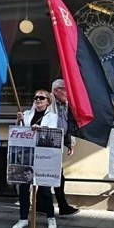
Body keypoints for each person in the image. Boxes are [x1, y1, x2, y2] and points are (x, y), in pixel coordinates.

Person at [13, 89, 66, 228]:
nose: (38, 100)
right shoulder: (26, 114)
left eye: (41, 98)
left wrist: (41, 129)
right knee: (24, 188)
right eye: (36, 97)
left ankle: (51, 217)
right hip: (26, 156)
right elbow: (18, 133)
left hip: (44, 157)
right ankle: (23, 218)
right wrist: (18, 121)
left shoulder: (52, 116)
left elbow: (53, 131)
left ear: (48, 101)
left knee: (45, 188)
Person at [35, 79, 80, 217]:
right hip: (45, 143)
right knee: (55, 175)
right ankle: (62, 206)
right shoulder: (48, 101)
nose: (68, 92)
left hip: (57, 143)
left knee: (49, 175)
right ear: (55, 90)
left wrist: (69, 142)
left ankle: (40, 205)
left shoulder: (66, 104)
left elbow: (68, 123)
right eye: (64, 89)